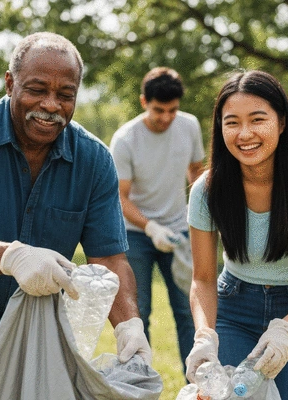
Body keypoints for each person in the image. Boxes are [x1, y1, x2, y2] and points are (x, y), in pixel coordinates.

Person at [0, 32, 151, 395]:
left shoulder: (93, 160)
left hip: (37, 326)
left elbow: (109, 258)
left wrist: (130, 324)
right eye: (37, 89)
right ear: (9, 84)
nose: (51, 105)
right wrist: (12, 257)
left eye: (65, 95)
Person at [185, 70, 288, 400]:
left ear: (283, 123)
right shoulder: (206, 190)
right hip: (234, 310)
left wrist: (286, 328)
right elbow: (202, 277)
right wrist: (204, 335)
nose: (245, 134)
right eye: (232, 122)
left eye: (258, 119)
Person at [109, 67, 205, 371]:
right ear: (143, 102)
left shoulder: (189, 126)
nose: (166, 117)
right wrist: (151, 227)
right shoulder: (125, 139)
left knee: (189, 310)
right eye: (158, 110)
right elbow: (119, 197)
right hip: (135, 233)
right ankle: (139, 381)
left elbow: (196, 173)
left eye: (172, 110)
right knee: (138, 313)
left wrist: (199, 215)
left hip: (178, 230)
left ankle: (198, 384)